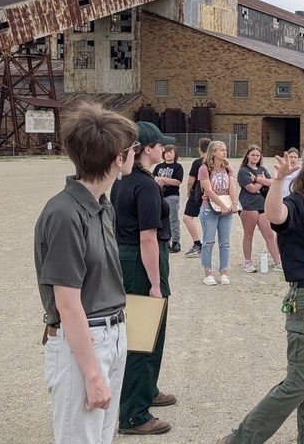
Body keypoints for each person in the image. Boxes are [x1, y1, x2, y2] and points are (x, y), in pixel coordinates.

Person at [219, 140, 304, 444]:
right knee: (299, 382)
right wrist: (280, 178)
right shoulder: (297, 203)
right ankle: (239, 440)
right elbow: (274, 215)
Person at [34, 102, 136, 443]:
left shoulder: (102, 207)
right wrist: (92, 374)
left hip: (112, 332)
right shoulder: (64, 213)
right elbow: (67, 304)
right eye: (129, 151)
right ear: (117, 159)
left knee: (102, 436)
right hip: (84, 340)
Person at [111, 121, 177, 435]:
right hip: (142, 261)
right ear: (145, 149)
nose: (163, 149)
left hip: (127, 257)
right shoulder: (145, 185)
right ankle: (133, 415)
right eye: (159, 145)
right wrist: (154, 283)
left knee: (147, 333)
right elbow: (148, 238)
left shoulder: (124, 180)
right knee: (143, 337)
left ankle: (146, 389)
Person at [199, 140, 239, 286]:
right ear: (213, 152)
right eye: (221, 150)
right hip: (210, 208)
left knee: (225, 243)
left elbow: (232, 186)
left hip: (227, 208)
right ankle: (207, 272)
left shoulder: (228, 168)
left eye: (225, 149)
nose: (224, 152)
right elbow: (208, 190)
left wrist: (234, 203)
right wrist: (221, 205)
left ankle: (223, 272)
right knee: (208, 241)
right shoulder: (204, 168)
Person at [237, 145, 281, 273]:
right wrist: (263, 180)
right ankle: (247, 262)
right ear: (247, 156)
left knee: (269, 234)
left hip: (262, 205)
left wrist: (257, 179)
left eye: (257, 155)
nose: (255, 157)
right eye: (253, 155)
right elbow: (251, 188)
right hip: (249, 205)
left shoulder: (262, 169)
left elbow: (273, 182)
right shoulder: (243, 171)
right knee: (249, 235)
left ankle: (277, 261)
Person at [153, 145, 184, 253]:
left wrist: (164, 179)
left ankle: (176, 242)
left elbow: (178, 181)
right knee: (160, 219)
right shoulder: (158, 167)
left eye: (171, 152)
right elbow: (153, 179)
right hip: (160, 196)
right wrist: (158, 181)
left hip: (172, 196)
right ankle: (164, 241)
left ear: (175, 154)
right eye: (166, 152)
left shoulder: (177, 167)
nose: (168, 154)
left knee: (173, 220)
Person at [182, 137, 211, 257]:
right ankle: (207, 244)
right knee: (208, 220)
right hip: (209, 194)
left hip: (198, 194)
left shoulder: (198, 162)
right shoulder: (212, 162)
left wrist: (188, 191)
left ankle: (197, 244)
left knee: (187, 218)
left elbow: (191, 180)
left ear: (200, 149)